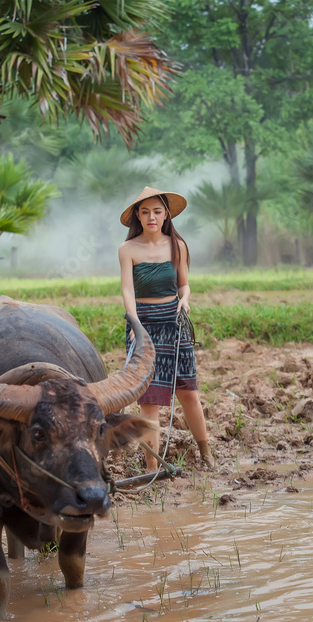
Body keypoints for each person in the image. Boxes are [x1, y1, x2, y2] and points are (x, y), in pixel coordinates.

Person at [118, 186, 215, 470]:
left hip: (174, 324)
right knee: (149, 401)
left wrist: (185, 299)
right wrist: (134, 324)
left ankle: (205, 453)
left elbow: (184, 284)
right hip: (143, 324)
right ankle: (152, 467)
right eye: (145, 211)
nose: (151, 217)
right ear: (138, 214)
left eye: (157, 212)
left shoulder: (178, 246)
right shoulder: (127, 249)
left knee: (189, 393)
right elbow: (127, 291)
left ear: (166, 215)